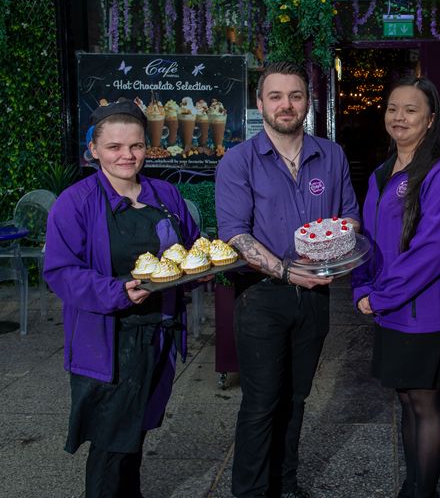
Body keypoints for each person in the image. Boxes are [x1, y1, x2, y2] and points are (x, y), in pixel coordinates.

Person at [215, 61, 360, 498]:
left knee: (296, 399)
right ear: (260, 104)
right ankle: (251, 492)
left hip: (315, 297)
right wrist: (284, 270)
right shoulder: (239, 161)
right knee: (261, 404)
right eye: (275, 96)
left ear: (307, 103)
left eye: (295, 96)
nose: (286, 104)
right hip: (261, 297)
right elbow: (235, 235)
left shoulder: (330, 154)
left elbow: (349, 216)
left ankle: (286, 484)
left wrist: (334, 258)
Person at [43, 99, 201, 498]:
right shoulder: (75, 203)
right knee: (112, 444)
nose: (126, 156)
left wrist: (198, 270)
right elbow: (61, 272)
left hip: (160, 333)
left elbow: (189, 249)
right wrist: (117, 290)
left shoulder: (165, 193)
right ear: (93, 150)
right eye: (114, 147)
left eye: (135, 146)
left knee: (137, 433)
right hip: (109, 340)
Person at [352, 76, 440, 498]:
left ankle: (423, 491)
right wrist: (360, 285)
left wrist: (378, 296)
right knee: (406, 399)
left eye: (411, 110)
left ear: (431, 119)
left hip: (427, 311)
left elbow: (434, 251)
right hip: (390, 308)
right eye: (392, 109)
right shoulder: (382, 172)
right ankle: (413, 485)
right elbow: (364, 240)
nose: (399, 117)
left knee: (426, 402)